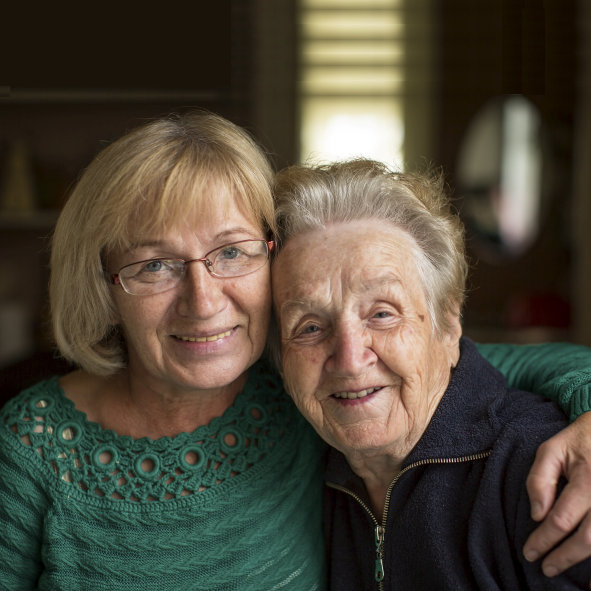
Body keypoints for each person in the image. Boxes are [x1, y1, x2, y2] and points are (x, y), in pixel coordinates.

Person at [0, 113, 589, 590]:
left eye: (230, 252)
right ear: (103, 285)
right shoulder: (34, 446)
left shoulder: (300, 390)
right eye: (154, 265)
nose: (203, 303)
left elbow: (486, 363)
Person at [270, 158, 591, 589]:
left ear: (449, 325)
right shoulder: (296, 467)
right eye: (309, 327)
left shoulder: (543, 475)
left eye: (382, 314)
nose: (349, 359)